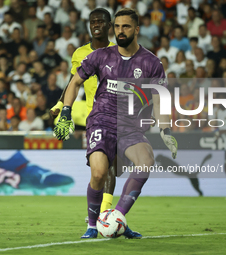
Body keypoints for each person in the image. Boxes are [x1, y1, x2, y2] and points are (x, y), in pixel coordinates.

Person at [54, 8, 177, 239]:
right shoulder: (101, 56)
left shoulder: (151, 63)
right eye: (118, 26)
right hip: (102, 120)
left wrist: (165, 130)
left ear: (137, 30)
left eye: (126, 26)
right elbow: (75, 81)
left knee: (146, 161)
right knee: (99, 173)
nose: (120, 31)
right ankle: (92, 225)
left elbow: (160, 98)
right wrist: (66, 111)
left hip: (130, 126)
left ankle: (116, 218)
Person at [50, 8, 117, 221]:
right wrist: (60, 105)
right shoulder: (80, 53)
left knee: (112, 167)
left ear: (109, 25)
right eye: (92, 22)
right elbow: (73, 83)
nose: (96, 24)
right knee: (100, 169)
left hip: (120, 116)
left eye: (100, 21)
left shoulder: (120, 51)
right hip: (95, 116)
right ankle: (99, 215)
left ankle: (103, 213)